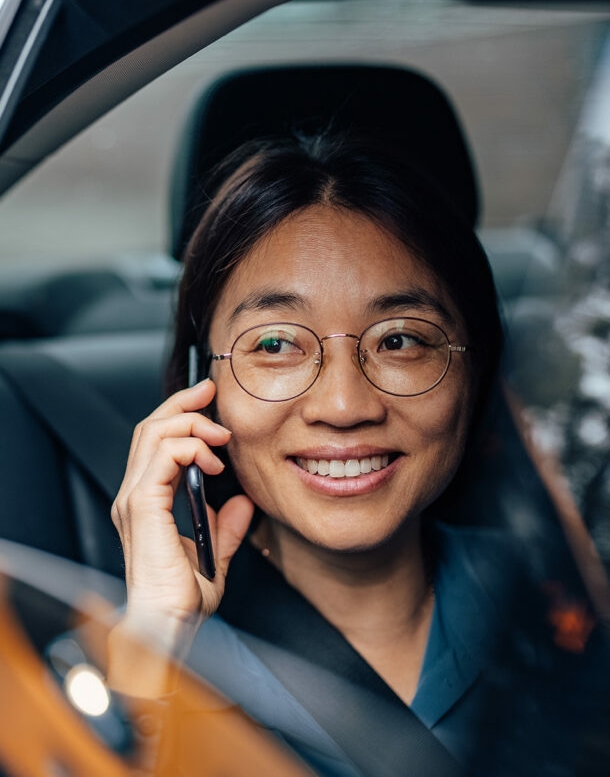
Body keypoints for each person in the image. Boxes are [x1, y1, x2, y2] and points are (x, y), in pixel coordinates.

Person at [106, 131, 592, 776]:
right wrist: (152, 649)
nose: (343, 405)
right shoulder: (117, 661)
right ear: (201, 382)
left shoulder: (563, 601)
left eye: (400, 340)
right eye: (275, 344)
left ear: (473, 372)